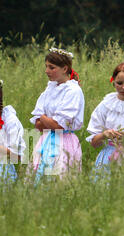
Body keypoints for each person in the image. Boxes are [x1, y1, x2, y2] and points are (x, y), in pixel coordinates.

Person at [29, 48, 84, 182]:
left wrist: (42, 116)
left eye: (52, 67)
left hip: (64, 141)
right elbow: (38, 126)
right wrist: (45, 120)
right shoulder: (49, 89)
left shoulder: (73, 91)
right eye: (46, 67)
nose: (47, 71)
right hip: (45, 139)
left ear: (65, 69)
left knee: (61, 178)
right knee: (39, 178)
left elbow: (59, 126)